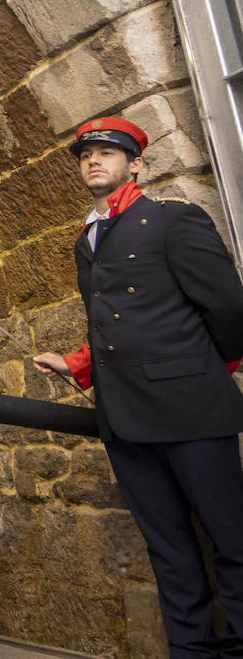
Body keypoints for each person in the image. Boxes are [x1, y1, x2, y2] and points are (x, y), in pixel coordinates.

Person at [33, 117, 243, 656]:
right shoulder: (89, 239)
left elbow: (226, 307)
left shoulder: (173, 219)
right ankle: (191, 650)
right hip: (125, 418)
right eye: (86, 156)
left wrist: (194, 369)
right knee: (168, 548)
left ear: (136, 163)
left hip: (192, 408)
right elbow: (116, 321)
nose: (94, 161)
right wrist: (76, 363)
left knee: (233, 539)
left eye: (107, 152)